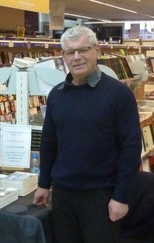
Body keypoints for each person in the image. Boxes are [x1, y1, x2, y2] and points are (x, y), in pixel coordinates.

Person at [32, 25, 142, 243]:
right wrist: (44, 183)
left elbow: (130, 147)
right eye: (70, 52)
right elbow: (49, 143)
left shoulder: (119, 94)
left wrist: (121, 196)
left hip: (101, 197)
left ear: (97, 50)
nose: (77, 57)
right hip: (63, 195)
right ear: (63, 56)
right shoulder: (56, 95)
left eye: (83, 50)